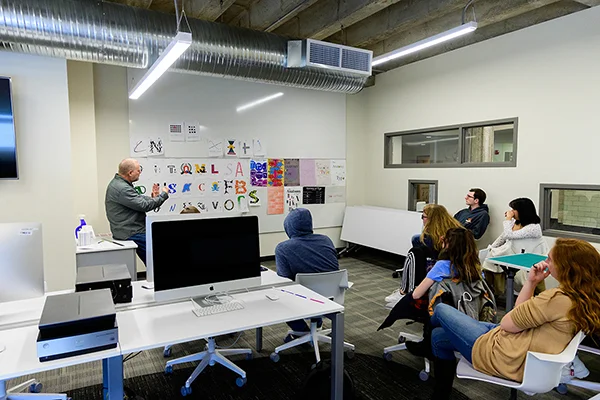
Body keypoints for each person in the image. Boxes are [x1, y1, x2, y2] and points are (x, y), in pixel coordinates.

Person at [427, 238, 600, 400]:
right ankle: (440, 392)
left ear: (566, 267)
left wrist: (530, 285)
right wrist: (531, 282)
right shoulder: (585, 296)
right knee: (437, 337)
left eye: (550, 259)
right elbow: (520, 316)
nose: (546, 263)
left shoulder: (557, 299)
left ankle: (424, 341)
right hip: (518, 343)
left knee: (441, 309)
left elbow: (508, 323)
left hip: (503, 354)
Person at [379, 228, 493, 357]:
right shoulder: (475, 267)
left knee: (417, 299)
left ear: (448, 245)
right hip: (468, 312)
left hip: (442, 311)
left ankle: (427, 344)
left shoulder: (442, 266)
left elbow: (417, 294)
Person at [275, 208, 339, 337]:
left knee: (278, 297)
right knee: (315, 284)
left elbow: (284, 282)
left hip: (304, 301)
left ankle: (301, 332)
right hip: (331, 298)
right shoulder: (326, 240)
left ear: (288, 227)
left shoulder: (283, 248)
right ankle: (317, 322)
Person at [387, 205, 462, 304]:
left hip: (444, 265)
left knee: (414, 253)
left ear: (432, 219)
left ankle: (404, 291)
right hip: (456, 265)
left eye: (424, 217)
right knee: (417, 245)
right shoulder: (455, 229)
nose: (422, 219)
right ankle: (407, 288)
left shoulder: (433, 237)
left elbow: (437, 255)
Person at [105, 158, 169, 265]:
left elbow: (137, 198)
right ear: (130, 173)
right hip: (132, 232)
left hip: (129, 230)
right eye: (138, 171)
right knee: (158, 260)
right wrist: (163, 195)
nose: (140, 173)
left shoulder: (120, 184)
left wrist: (153, 198)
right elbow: (144, 205)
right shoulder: (122, 188)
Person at [482, 197, 545, 295]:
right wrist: (490, 249)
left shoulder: (534, 228)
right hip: (514, 255)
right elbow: (503, 237)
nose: (511, 212)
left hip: (530, 260)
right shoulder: (514, 223)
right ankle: (495, 293)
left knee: (533, 288)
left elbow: (509, 235)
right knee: (489, 264)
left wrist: (507, 219)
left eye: (513, 210)